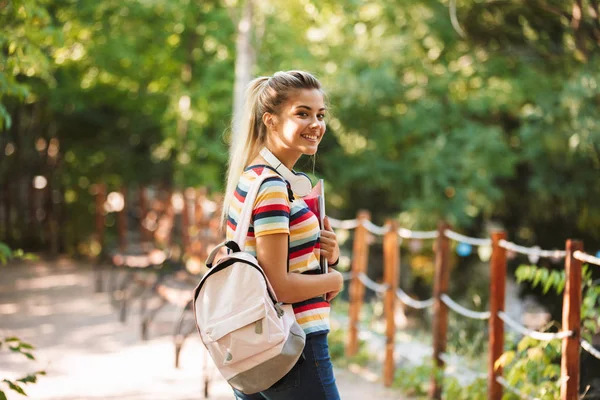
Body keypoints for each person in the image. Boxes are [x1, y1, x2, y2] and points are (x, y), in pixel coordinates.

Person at [221, 70, 344, 400]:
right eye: (302, 113)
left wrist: (327, 256)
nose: (315, 124)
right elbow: (278, 285)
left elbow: (268, 264)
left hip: (255, 344)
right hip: (293, 342)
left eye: (320, 115)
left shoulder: (254, 177)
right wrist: (334, 281)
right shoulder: (273, 187)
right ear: (271, 121)